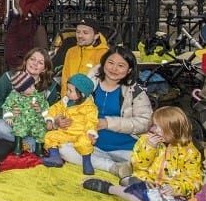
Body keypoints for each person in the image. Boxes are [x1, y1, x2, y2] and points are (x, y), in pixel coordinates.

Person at [57, 45, 152, 176]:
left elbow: (145, 123)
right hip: (92, 145)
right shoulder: (87, 85)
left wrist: (107, 123)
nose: (114, 69)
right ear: (103, 63)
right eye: (110, 63)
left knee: (150, 162)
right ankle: (112, 167)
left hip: (125, 148)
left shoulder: (135, 92)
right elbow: (63, 106)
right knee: (63, 148)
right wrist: (58, 119)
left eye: (121, 65)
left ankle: (107, 163)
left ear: (129, 70)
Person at [83, 106, 203, 201]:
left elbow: (195, 179)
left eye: (159, 127)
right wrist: (150, 147)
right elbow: (138, 164)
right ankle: (110, 188)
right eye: (154, 125)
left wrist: (176, 188)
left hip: (169, 191)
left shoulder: (190, 152)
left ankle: (131, 185)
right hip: (147, 181)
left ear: (174, 130)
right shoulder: (146, 139)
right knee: (140, 200)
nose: (153, 129)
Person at [0, 48, 58, 150]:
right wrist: (8, 111)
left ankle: (18, 142)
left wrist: (43, 111)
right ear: (26, 61)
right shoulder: (9, 77)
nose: (35, 64)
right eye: (32, 59)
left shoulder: (50, 86)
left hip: (36, 123)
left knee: (53, 130)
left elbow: (54, 109)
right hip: (13, 122)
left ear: (44, 69)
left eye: (40, 63)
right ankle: (31, 143)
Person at [42, 73, 99, 175]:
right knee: (50, 136)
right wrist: (50, 119)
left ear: (81, 94)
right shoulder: (65, 101)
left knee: (84, 142)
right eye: (67, 89)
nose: (67, 93)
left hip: (80, 133)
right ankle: (55, 157)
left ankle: (87, 163)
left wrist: (91, 132)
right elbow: (54, 109)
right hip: (65, 132)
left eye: (70, 91)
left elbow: (91, 121)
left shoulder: (89, 107)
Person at [1, 70, 49, 157]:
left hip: (35, 120)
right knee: (18, 129)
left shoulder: (37, 94)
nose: (33, 88)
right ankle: (18, 146)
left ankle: (39, 148)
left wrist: (43, 112)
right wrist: (9, 117)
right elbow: (7, 106)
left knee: (41, 129)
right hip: (21, 120)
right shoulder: (14, 96)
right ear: (21, 91)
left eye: (33, 85)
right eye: (30, 87)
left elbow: (45, 105)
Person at [60, 18, 109, 96]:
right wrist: (64, 99)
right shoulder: (71, 51)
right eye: (78, 32)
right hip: (68, 100)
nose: (80, 35)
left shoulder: (104, 54)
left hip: (89, 101)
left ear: (96, 36)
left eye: (85, 33)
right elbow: (65, 78)